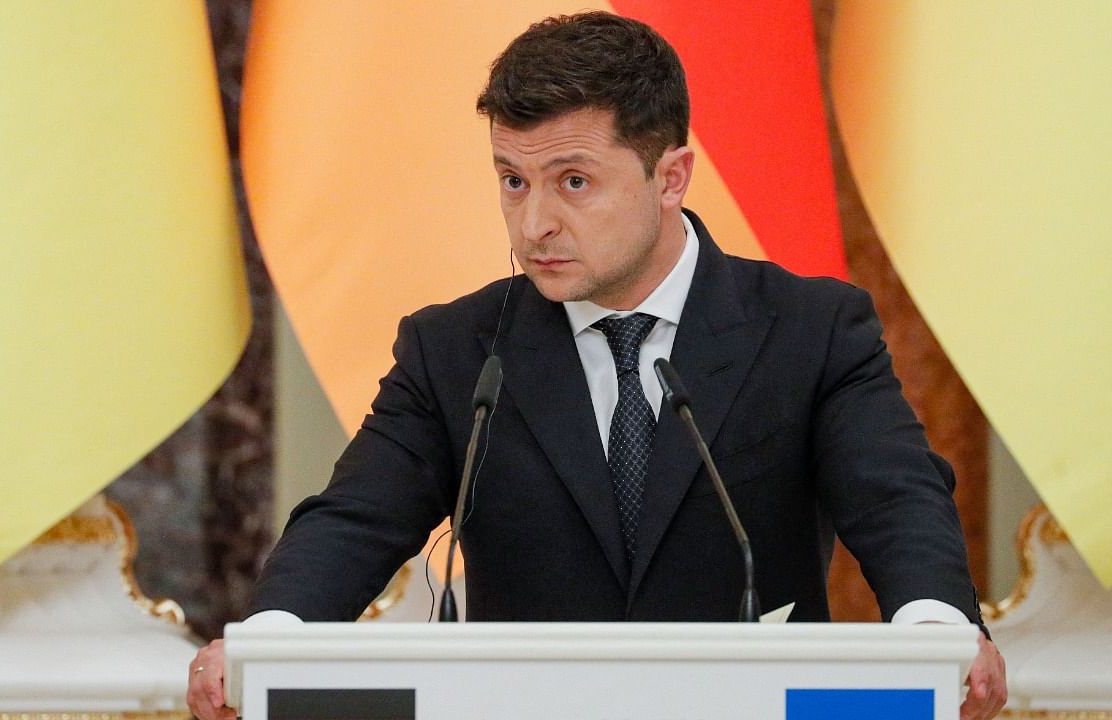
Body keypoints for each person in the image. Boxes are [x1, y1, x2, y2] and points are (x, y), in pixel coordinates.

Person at [188, 11, 1006, 720]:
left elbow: (897, 499)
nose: (533, 223)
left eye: (572, 181)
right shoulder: (458, 350)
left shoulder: (809, 329)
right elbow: (355, 519)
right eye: (512, 181)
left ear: (671, 177)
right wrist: (271, 642)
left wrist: (939, 630)